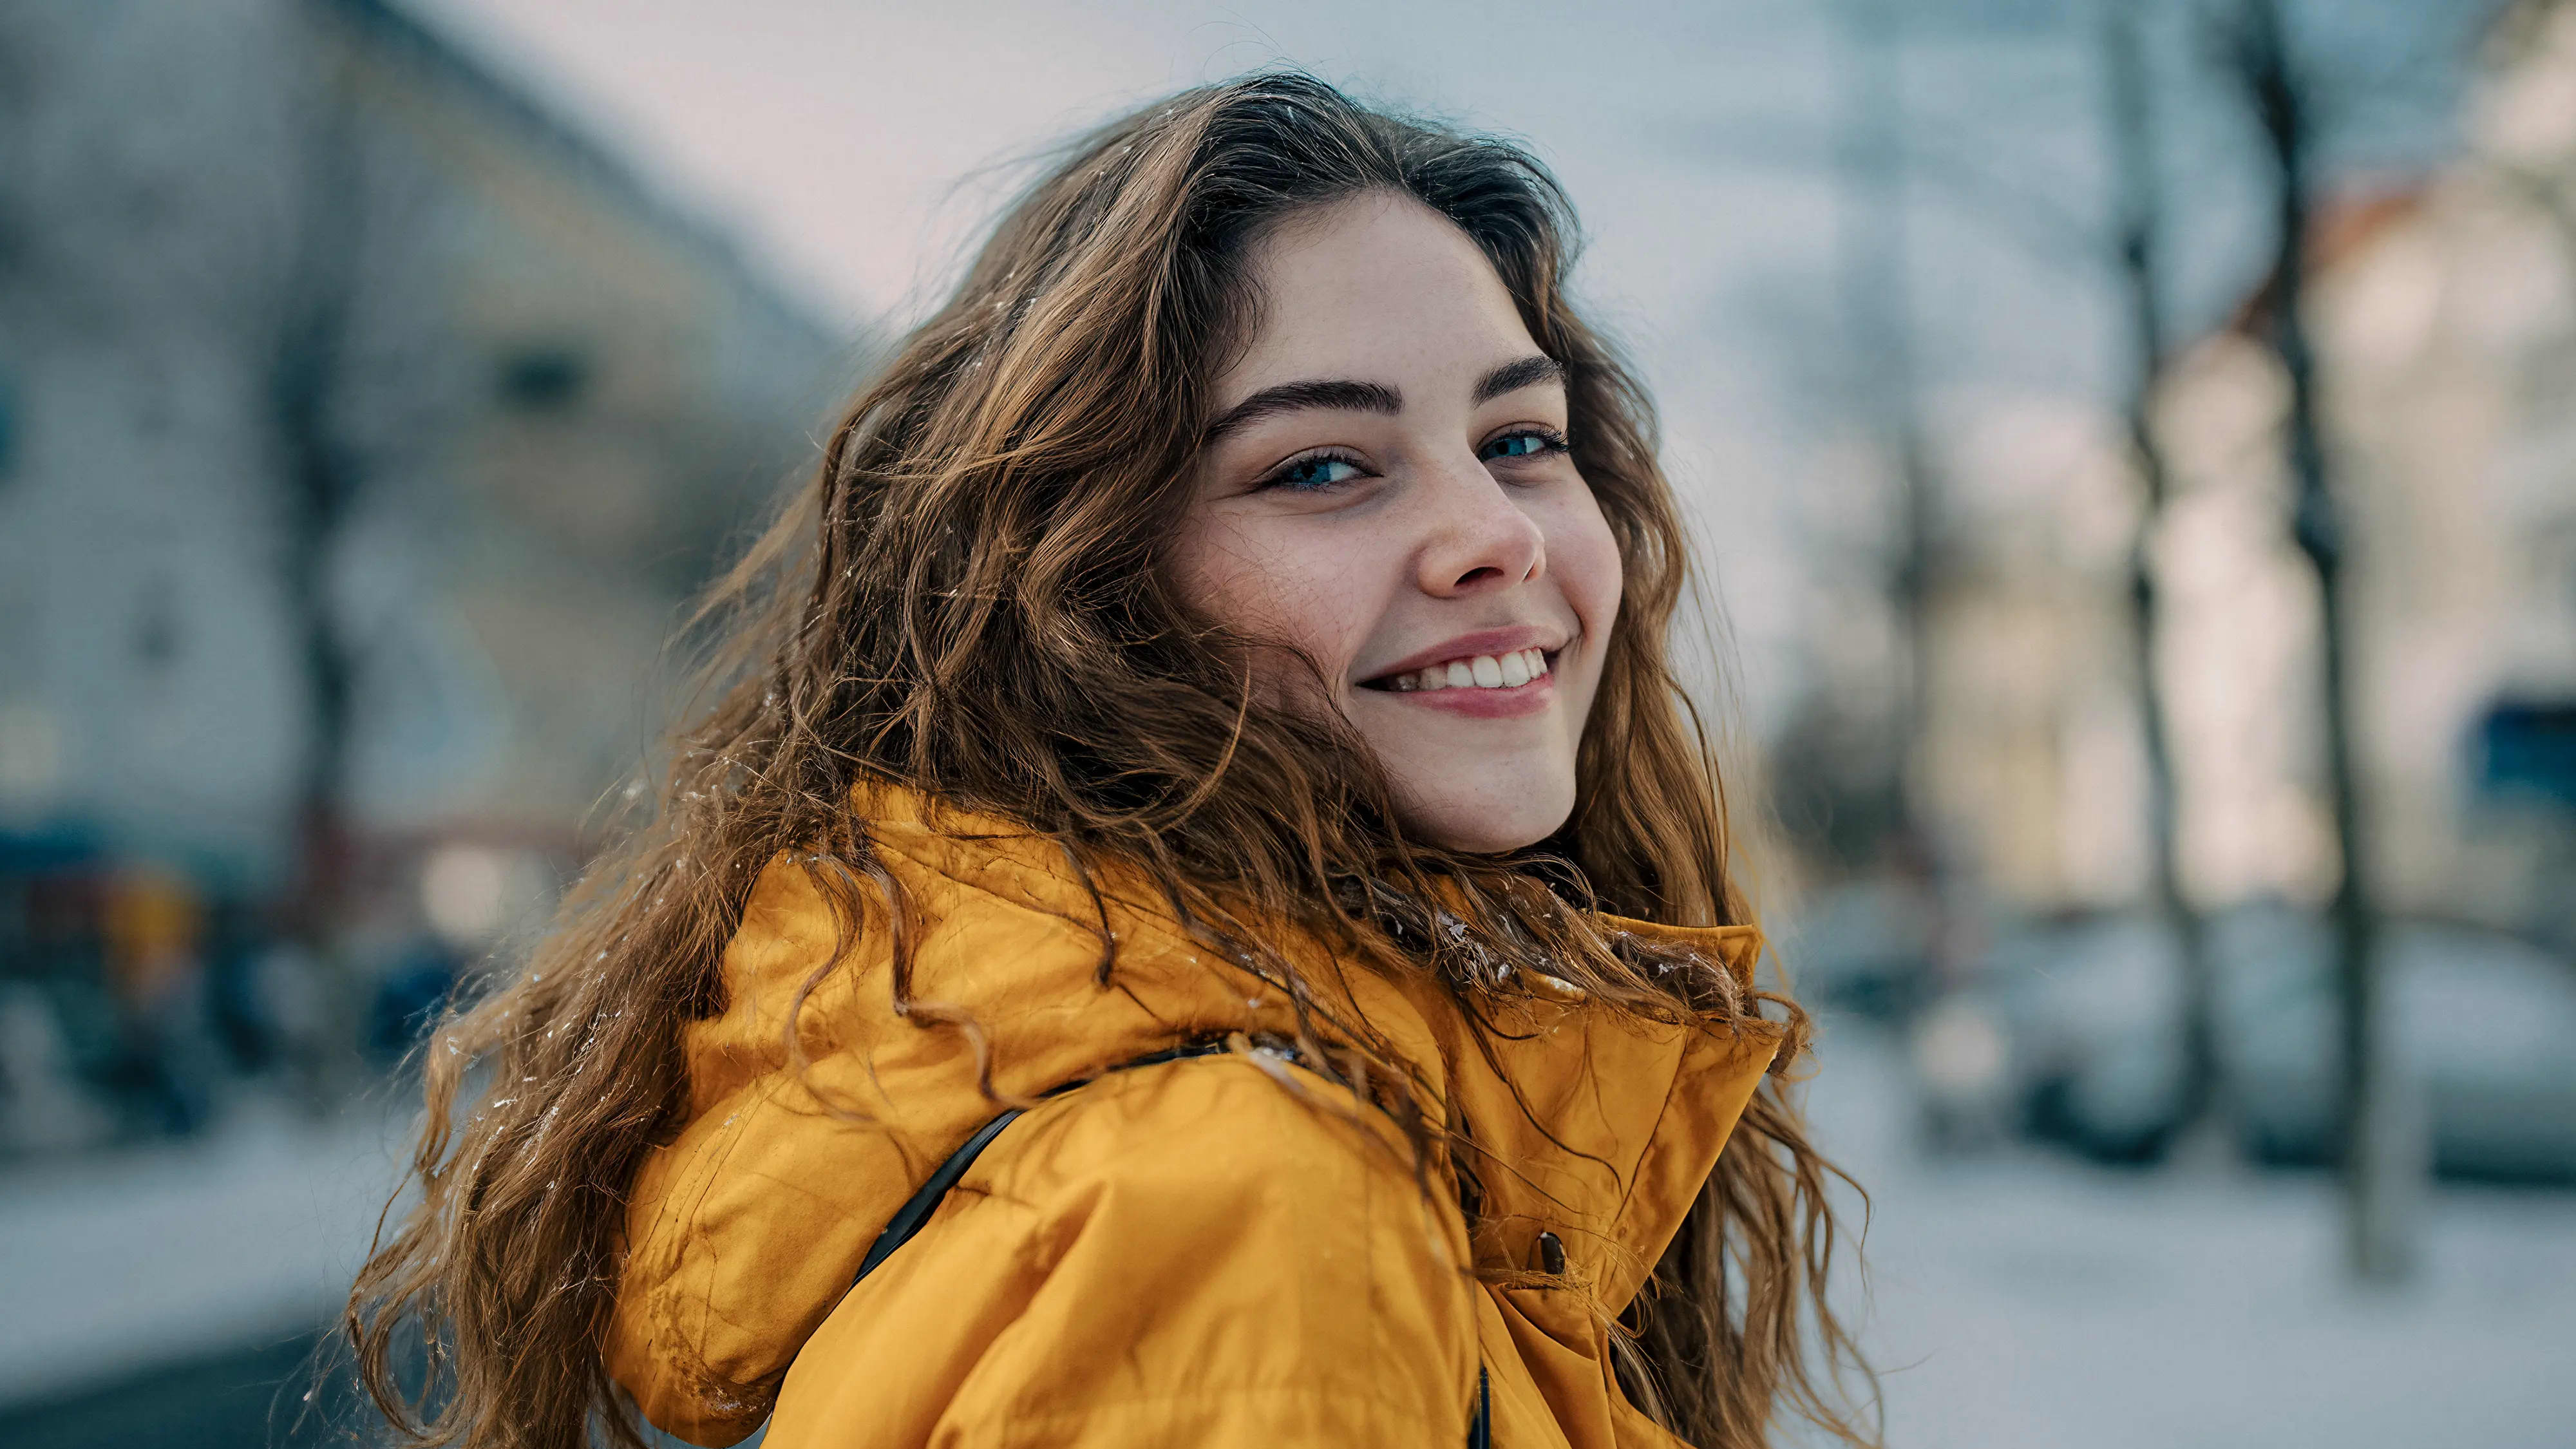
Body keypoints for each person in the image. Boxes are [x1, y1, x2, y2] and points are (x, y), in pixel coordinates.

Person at [350, 73, 1870, 1449]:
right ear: (1087, 586)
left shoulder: (1108, 1086)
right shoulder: (1230, 1213)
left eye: (1520, 439)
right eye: (1321, 467)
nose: (1492, 531)